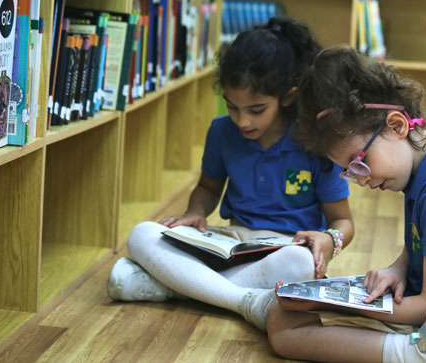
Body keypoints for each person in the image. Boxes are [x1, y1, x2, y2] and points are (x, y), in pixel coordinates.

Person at [265, 45, 426, 362]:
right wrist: (398, 267)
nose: (363, 179)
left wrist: (327, 303)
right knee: (281, 319)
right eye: (350, 171)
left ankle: (424, 356)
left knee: (285, 332)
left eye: (360, 162)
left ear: (397, 126)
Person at [106, 18, 354, 332]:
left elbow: (343, 223)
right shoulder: (221, 132)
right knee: (142, 234)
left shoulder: (314, 142)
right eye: (232, 106)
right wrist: (195, 212)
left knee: (301, 265)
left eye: (256, 109)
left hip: (285, 248)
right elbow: (208, 188)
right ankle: (246, 301)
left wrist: (330, 241)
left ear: (288, 96)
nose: (242, 120)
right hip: (230, 243)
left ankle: (176, 287)